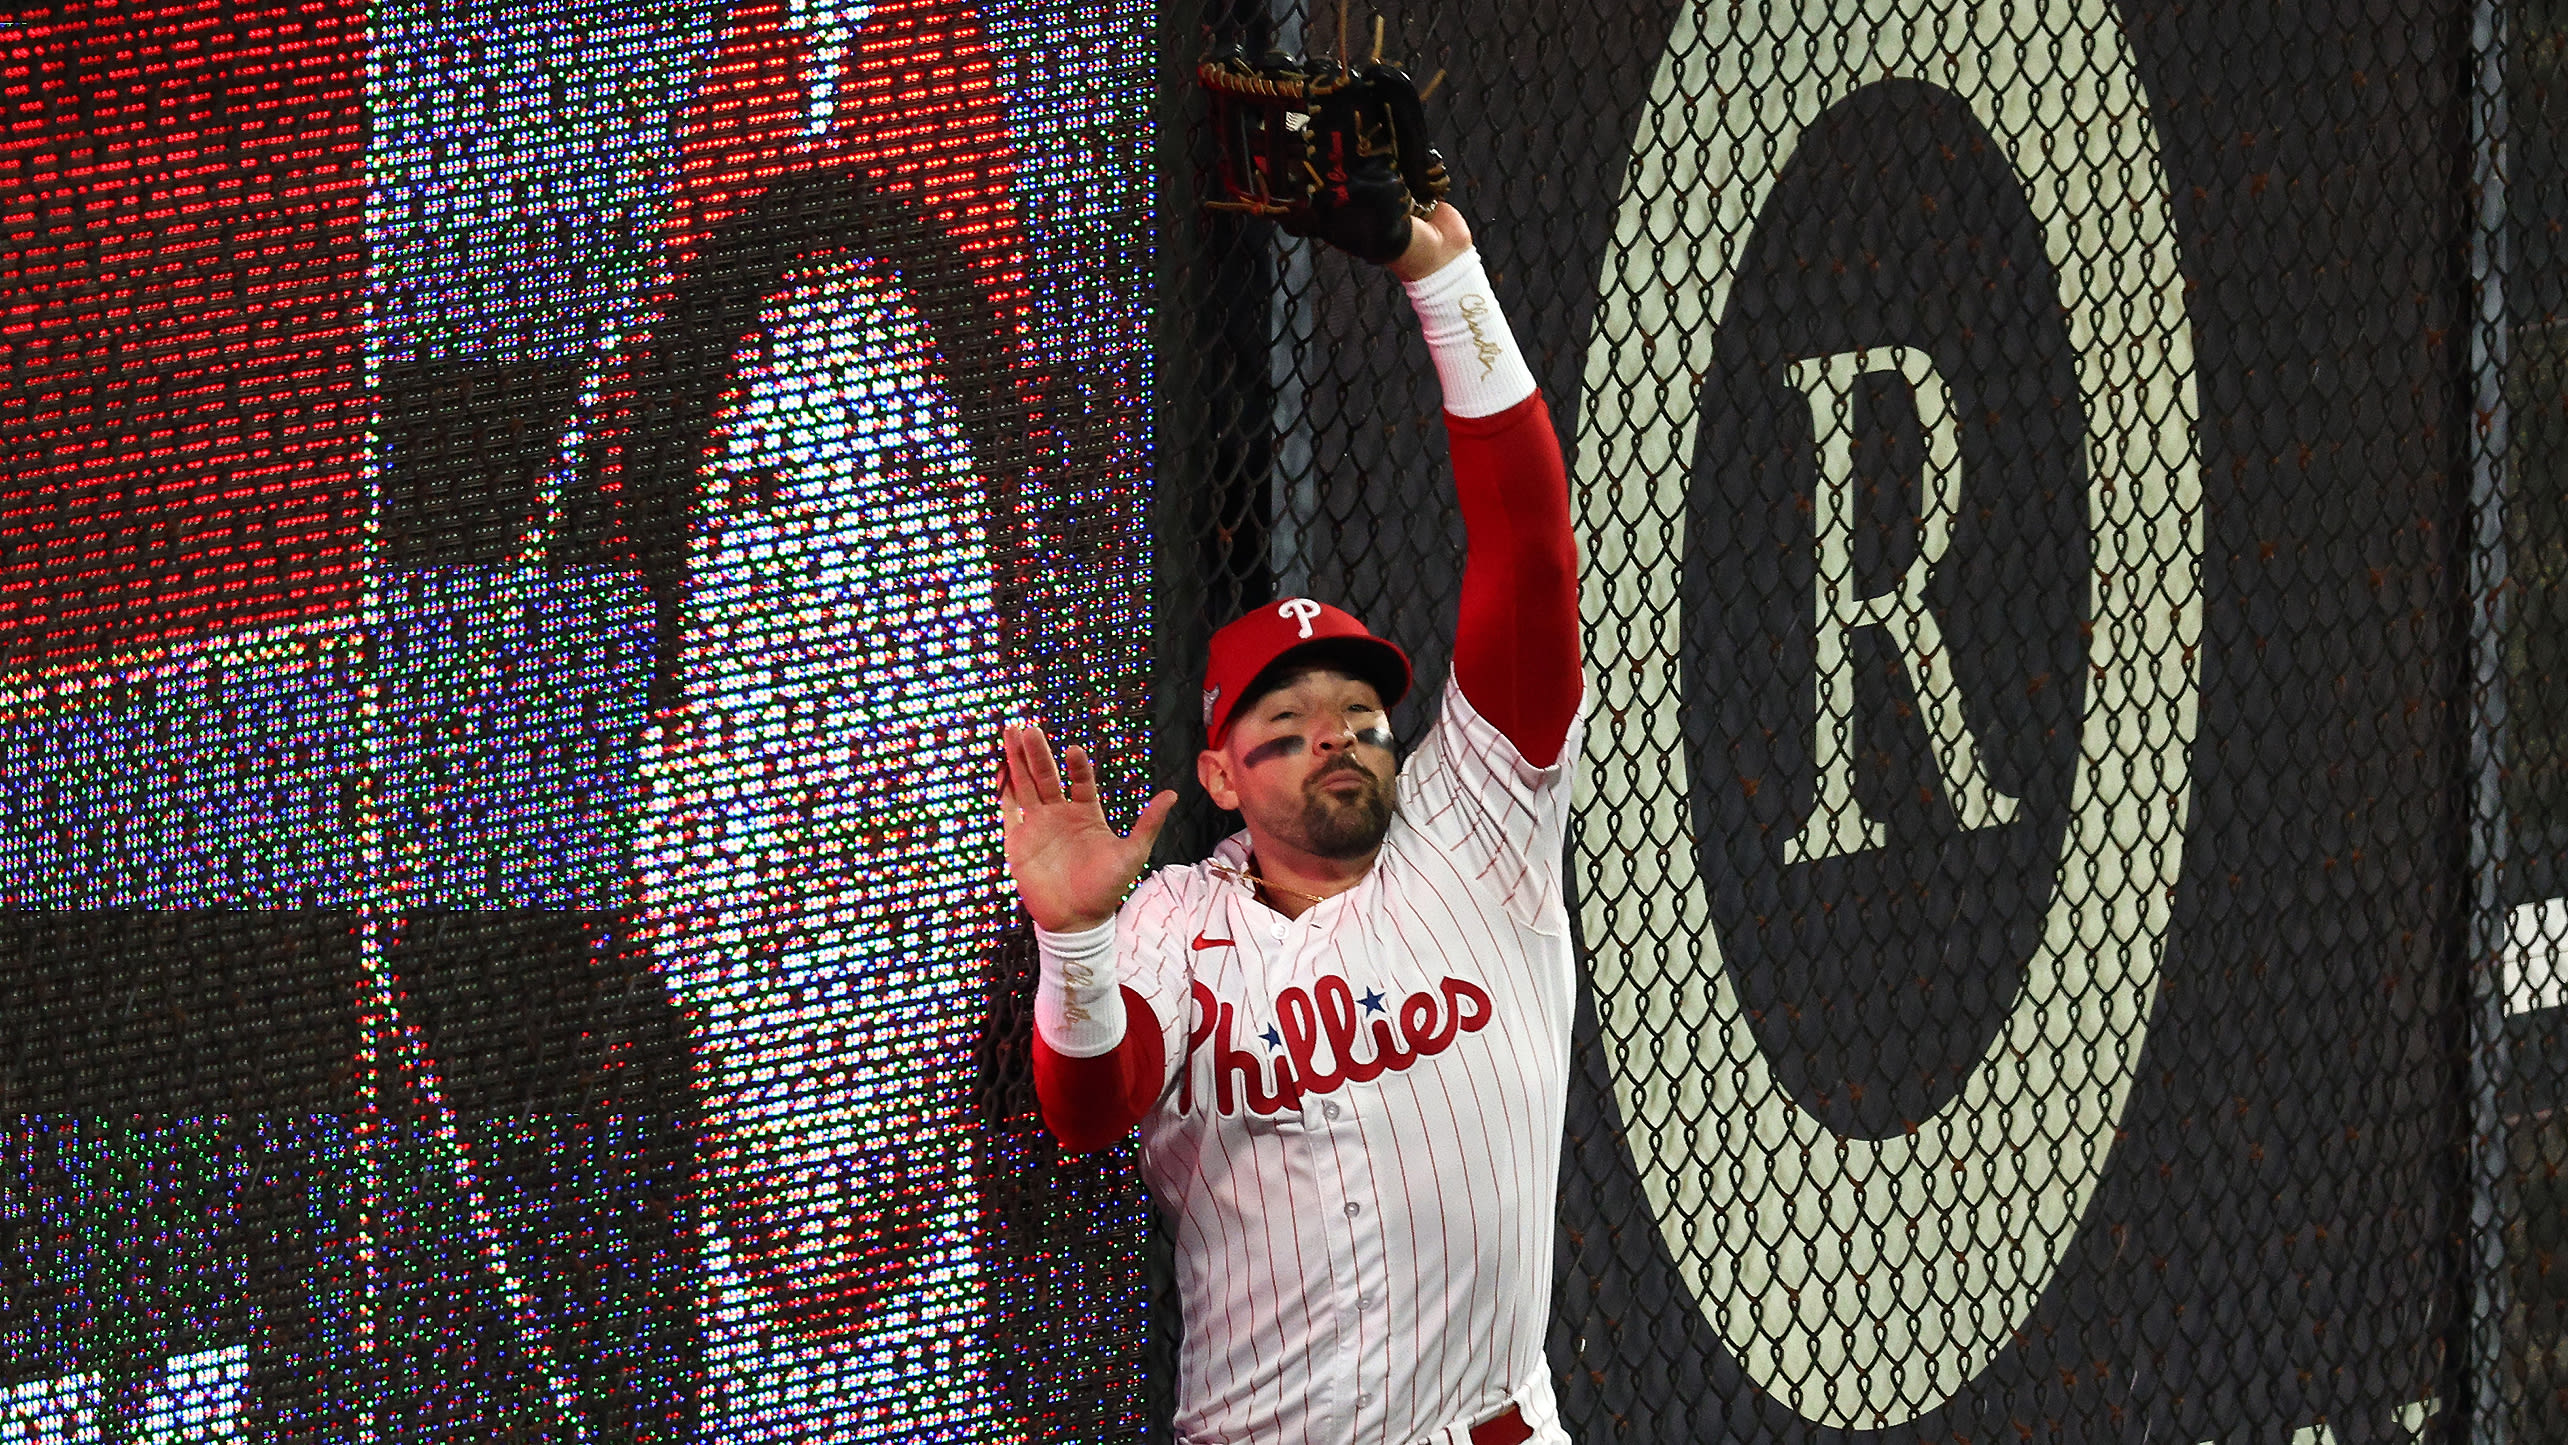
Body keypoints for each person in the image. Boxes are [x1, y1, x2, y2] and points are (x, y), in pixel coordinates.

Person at [995, 199, 1584, 1445]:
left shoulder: (1480, 828)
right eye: (1291, 717)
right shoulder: (1172, 920)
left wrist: (1448, 278)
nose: (1337, 731)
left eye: (1361, 708)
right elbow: (1089, 1108)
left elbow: (1529, 552)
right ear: (1218, 772)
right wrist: (1078, 942)